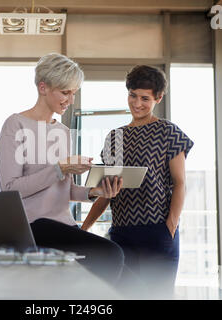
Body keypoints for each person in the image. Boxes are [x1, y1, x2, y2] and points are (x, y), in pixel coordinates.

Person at [0, 53, 124, 285]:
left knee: (126, 273)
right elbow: (10, 189)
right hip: (34, 225)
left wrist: (95, 192)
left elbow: (63, 189)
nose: (71, 100)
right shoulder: (15, 125)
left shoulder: (63, 132)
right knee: (111, 255)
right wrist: (61, 167)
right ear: (43, 87)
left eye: (74, 93)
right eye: (66, 92)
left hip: (63, 224)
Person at [81, 65, 194, 297]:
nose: (137, 103)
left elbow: (180, 183)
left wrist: (170, 226)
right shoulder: (114, 137)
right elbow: (107, 191)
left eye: (145, 98)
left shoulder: (168, 132)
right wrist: (84, 229)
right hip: (121, 233)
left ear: (158, 98)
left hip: (158, 231)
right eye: (133, 95)